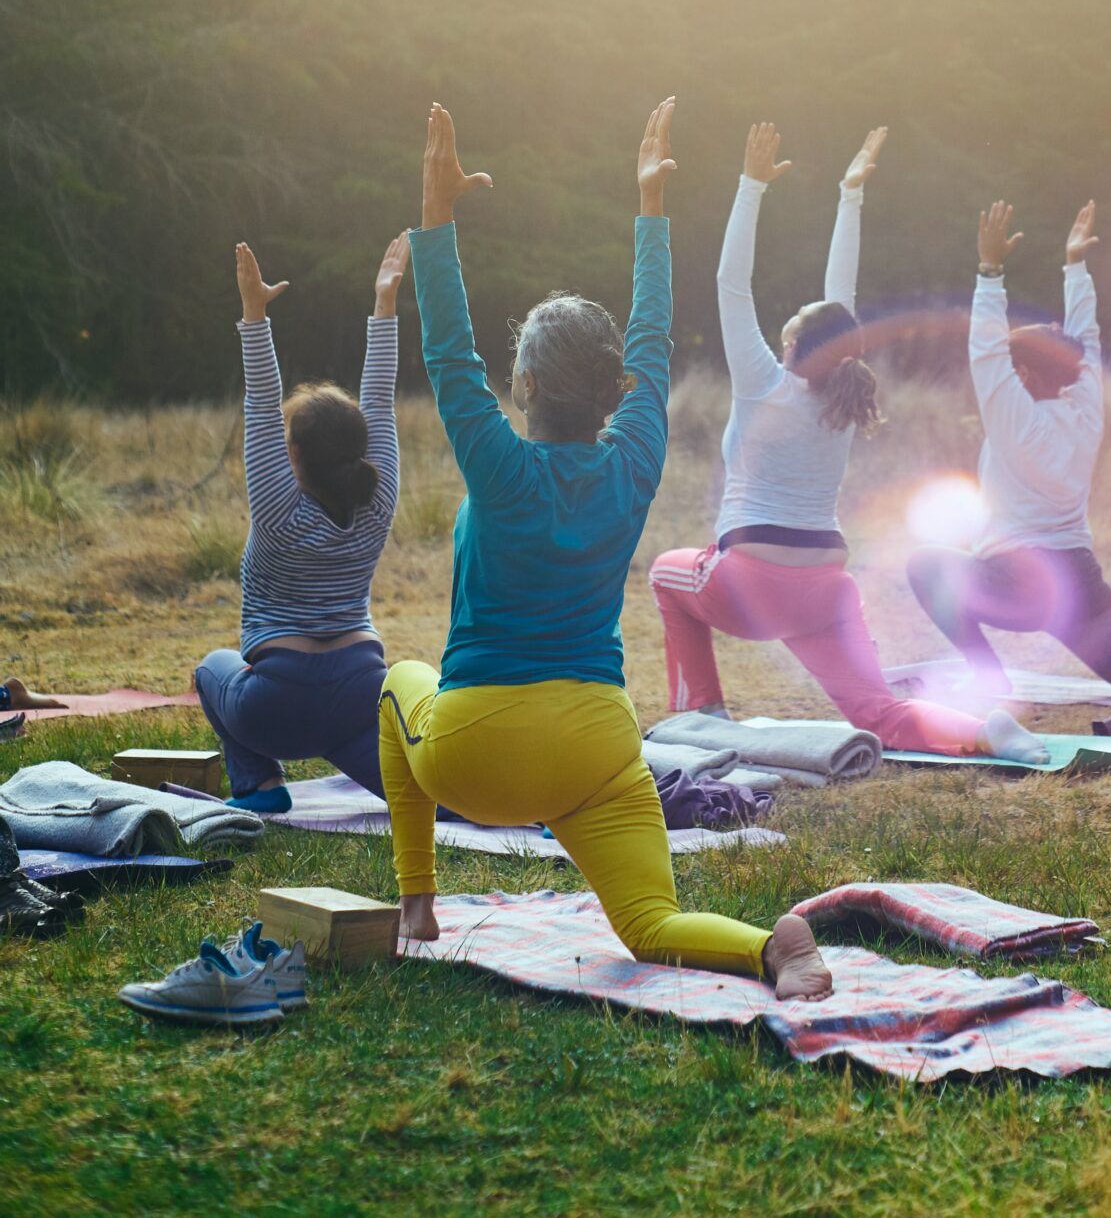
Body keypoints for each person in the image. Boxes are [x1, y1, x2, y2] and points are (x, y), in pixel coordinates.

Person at [378, 100, 832, 1001]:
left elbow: (447, 351)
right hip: (597, 745)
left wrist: (436, 220)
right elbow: (654, 345)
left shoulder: (499, 464)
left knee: (397, 676)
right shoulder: (633, 464)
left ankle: (416, 903)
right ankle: (771, 947)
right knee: (647, 925)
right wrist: (651, 215)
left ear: (528, 385)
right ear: (614, 386)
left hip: (478, 754)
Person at [648, 123, 1043, 761]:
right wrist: (849, 195)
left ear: (793, 345)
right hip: (827, 587)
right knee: (877, 711)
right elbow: (843, 300)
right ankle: (985, 730)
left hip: (749, 583)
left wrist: (750, 186)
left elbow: (731, 282)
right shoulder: (840, 397)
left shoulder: (764, 383)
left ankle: (705, 713)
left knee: (666, 574)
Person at [906, 198, 1111, 701]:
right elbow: (1086, 340)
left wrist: (990, 271)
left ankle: (988, 677)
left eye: (1014, 365)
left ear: (1023, 374)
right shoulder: (1085, 409)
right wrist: (1075, 268)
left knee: (925, 565)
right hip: (1080, 586)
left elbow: (985, 352)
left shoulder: (1013, 420)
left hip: (1014, 585)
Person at [194, 231, 408, 811]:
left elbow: (261, 403)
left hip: (276, 706)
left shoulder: (276, 509)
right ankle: (514, 805)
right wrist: (385, 305)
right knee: (426, 795)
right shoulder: (380, 497)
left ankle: (261, 786)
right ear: (361, 449)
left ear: (291, 458)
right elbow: (381, 399)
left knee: (210, 669)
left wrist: (254, 315)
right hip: (362, 694)